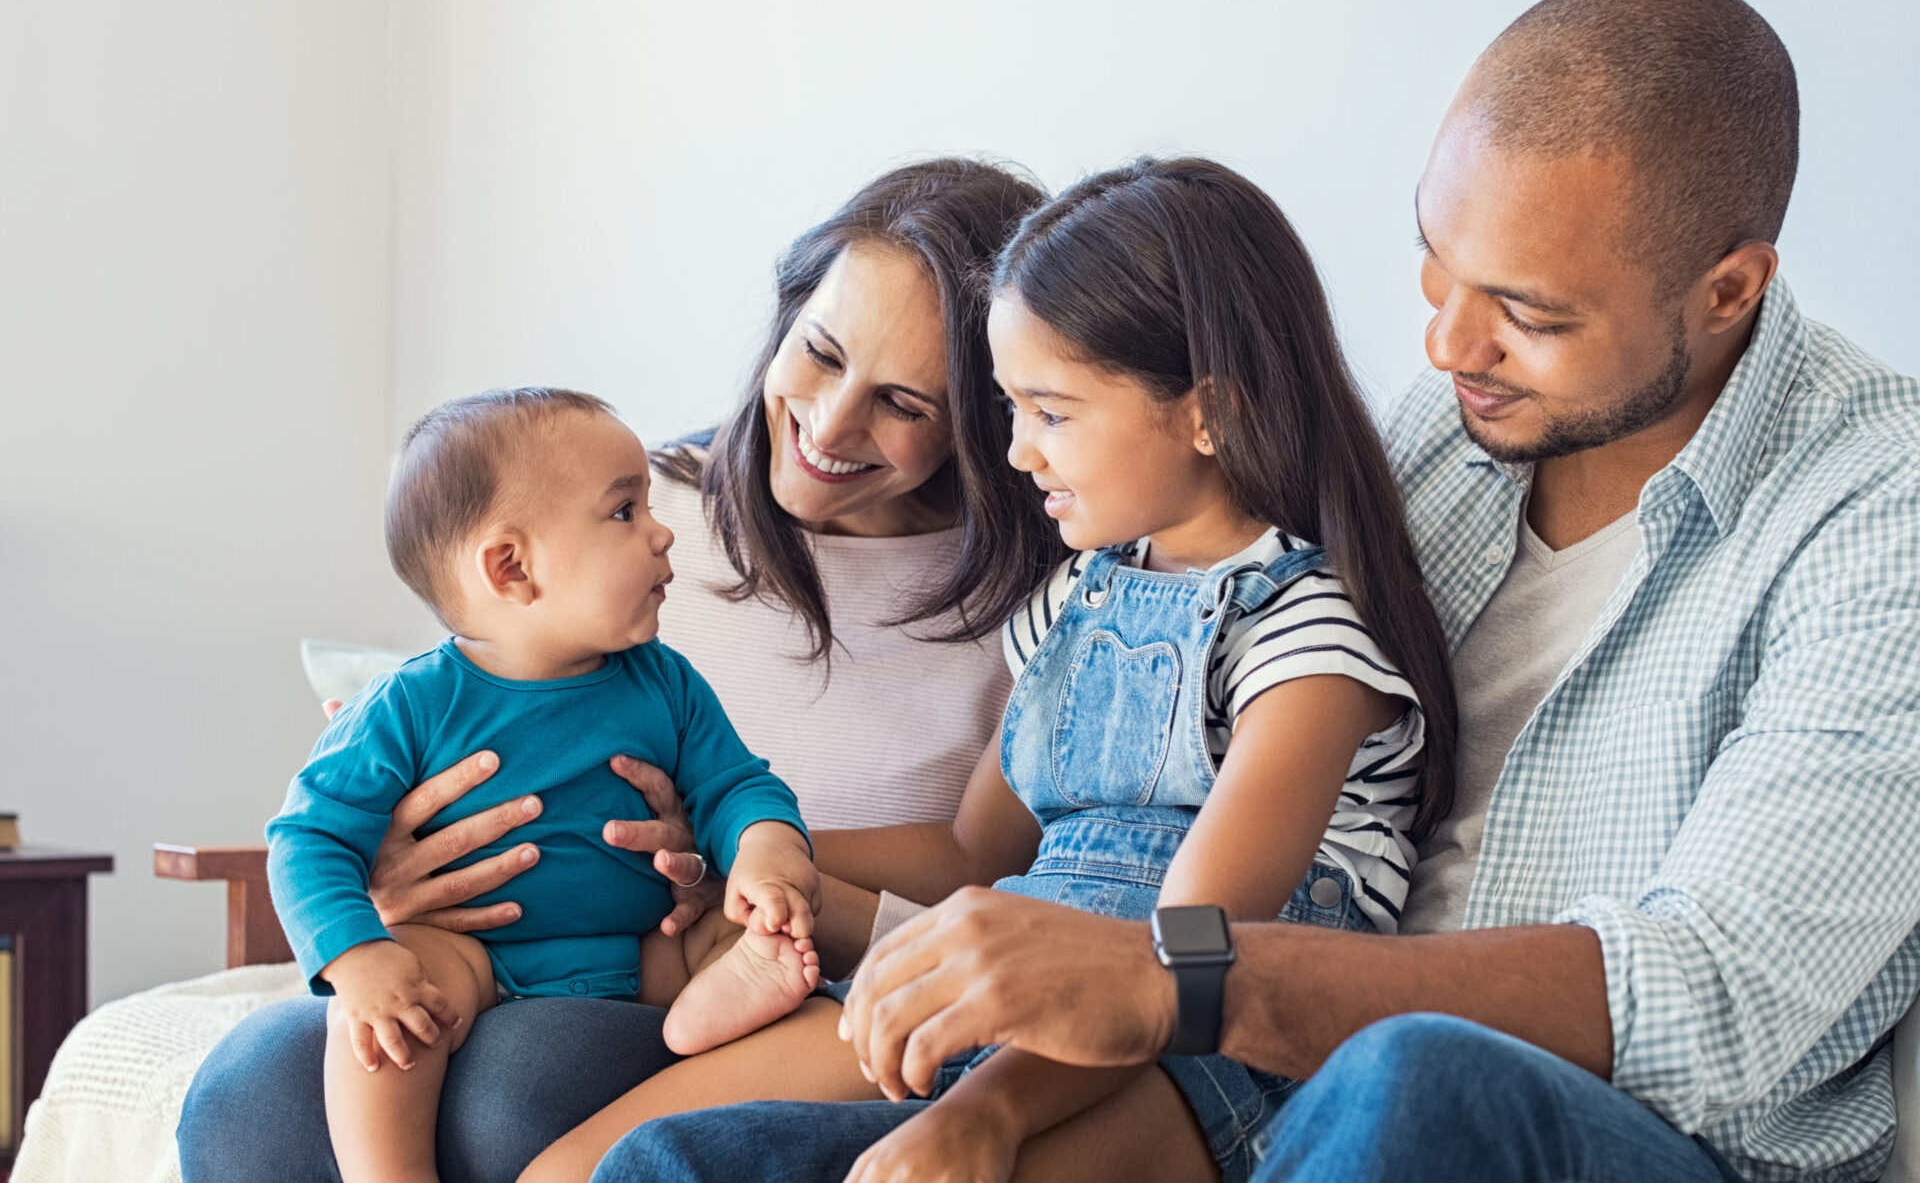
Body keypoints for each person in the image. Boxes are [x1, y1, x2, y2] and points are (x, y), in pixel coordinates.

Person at [602, 0, 1920, 1183]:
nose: (1447, 341)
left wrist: (1179, 977)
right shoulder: (1439, 440)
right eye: (1435, 260)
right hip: (1268, 1075)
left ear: (1731, 289)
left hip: (1589, 1127)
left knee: (1413, 1077)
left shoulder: (1876, 508)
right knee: (674, 1166)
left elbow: (1717, 999)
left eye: (1531, 311)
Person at [515, 155, 1461, 1183]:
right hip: (1003, 989)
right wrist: (744, 841)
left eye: (1050, 414)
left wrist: (985, 1116)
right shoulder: (1074, 603)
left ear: (1208, 414)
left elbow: (1189, 961)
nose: (1013, 454)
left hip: (1188, 1056)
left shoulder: (1304, 644)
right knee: (590, 1169)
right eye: (1010, 410)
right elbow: (974, 848)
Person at [176, 159, 1062, 1183]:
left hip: (722, 957)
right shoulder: (617, 513)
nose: (828, 425)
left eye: (903, 402)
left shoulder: (1041, 607)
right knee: (251, 1088)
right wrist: (381, 884)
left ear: (990, 417)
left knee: (515, 1087)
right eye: (817, 354)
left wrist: (745, 857)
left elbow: (994, 869)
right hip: (484, 939)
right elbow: (365, 787)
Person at [267, 388, 828, 1181]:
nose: (663, 531)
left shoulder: (664, 683)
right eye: (625, 511)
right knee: (392, 1014)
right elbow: (307, 837)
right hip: (476, 954)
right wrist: (358, 961)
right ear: (512, 566)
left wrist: (767, 856)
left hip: (645, 949)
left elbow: (736, 785)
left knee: (746, 937)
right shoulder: (412, 702)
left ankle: (710, 1008)